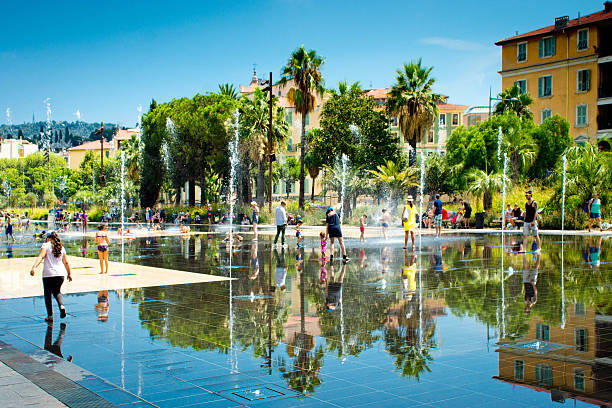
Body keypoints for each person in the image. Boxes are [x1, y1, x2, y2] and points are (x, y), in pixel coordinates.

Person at [30, 231, 72, 322]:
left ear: (49, 238)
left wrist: (34, 267)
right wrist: (69, 273)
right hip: (60, 274)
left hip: (48, 274)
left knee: (47, 294)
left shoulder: (46, 245)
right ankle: (61, 306)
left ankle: (50, 316)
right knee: (57, 292)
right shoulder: (61, 247)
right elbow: (66, 262)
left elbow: (41, 256)